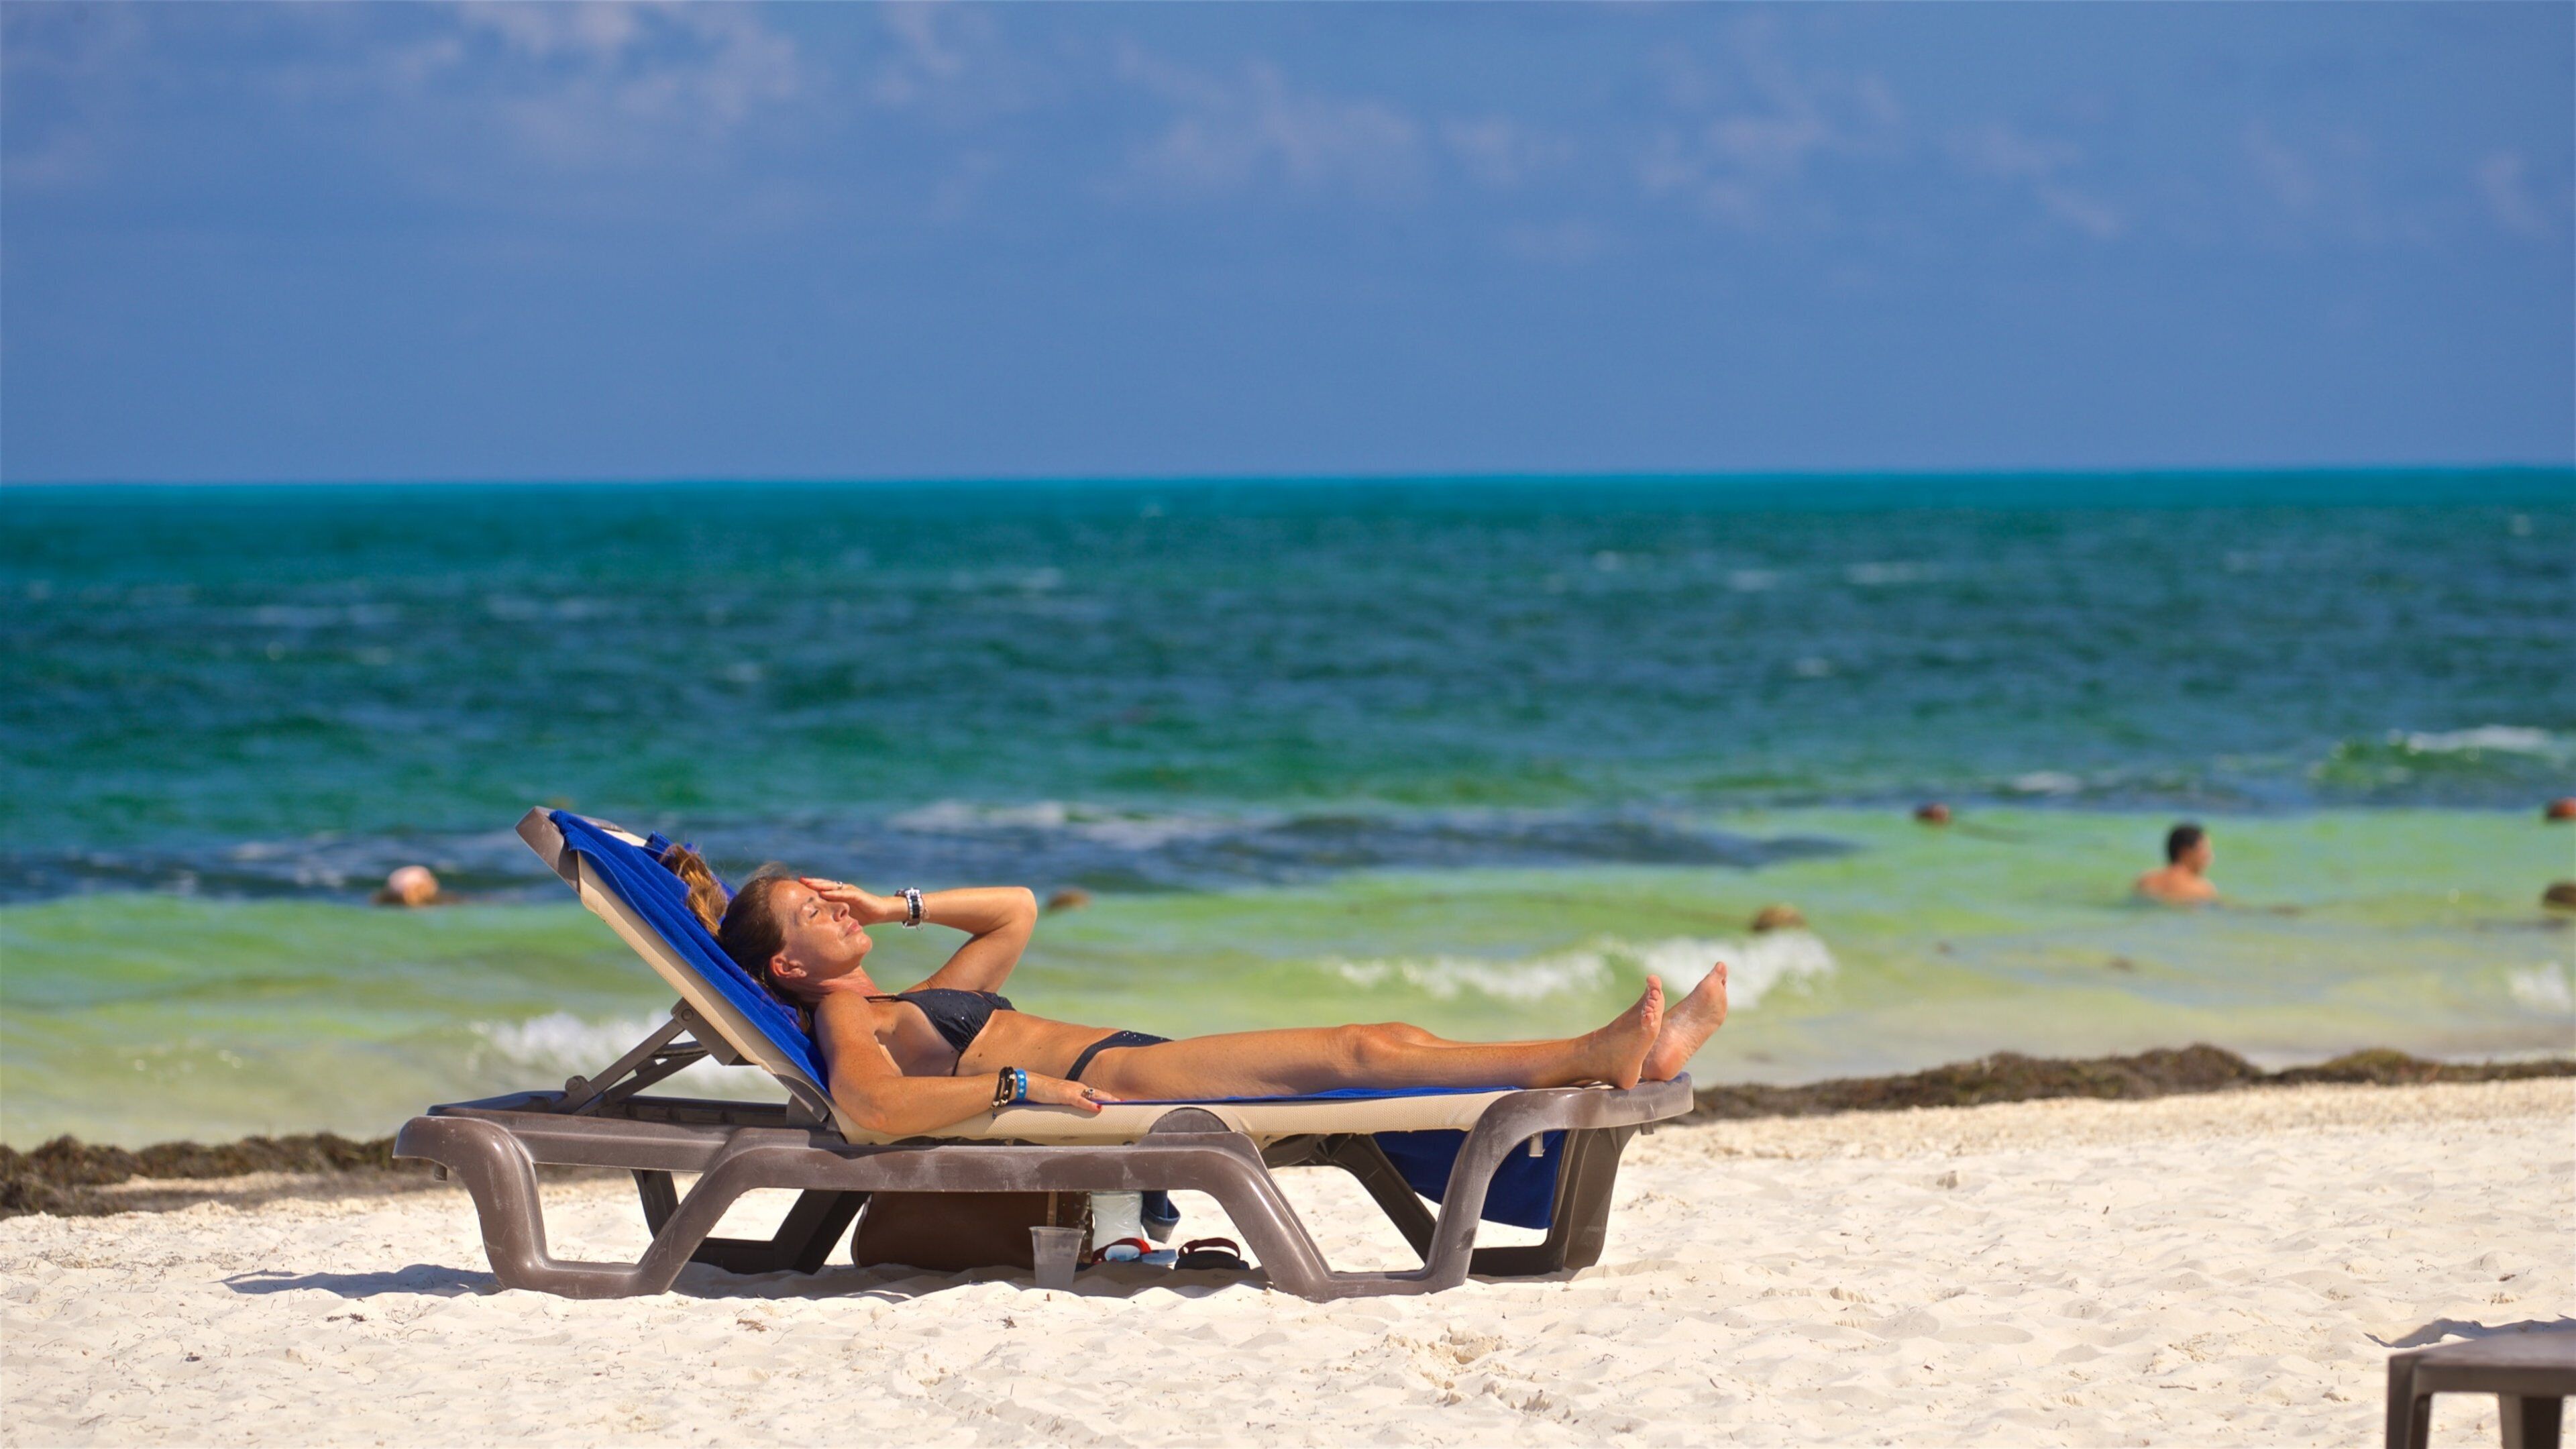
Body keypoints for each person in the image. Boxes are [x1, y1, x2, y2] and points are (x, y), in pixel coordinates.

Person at [657, 847, 1731, 1139]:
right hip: (1117, 1081)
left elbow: (1016, 911)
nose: (833, 907)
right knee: (1359, 1054)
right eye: (813, 914)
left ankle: (1637, 1054)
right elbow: (867, 1107)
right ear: (789, 970)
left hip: (1127, 1057)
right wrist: (1020, 1088)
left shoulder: (906, 996)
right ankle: (1592, 1056)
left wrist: (894, 906)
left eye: (826, 896)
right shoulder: (847, 1013)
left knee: (1389, 1034)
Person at [2135, 823, 2218, 905]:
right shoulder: (2202, 889)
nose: (2210, 856)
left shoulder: (2145, 880)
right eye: (2205, 850)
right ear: (2186, 853)